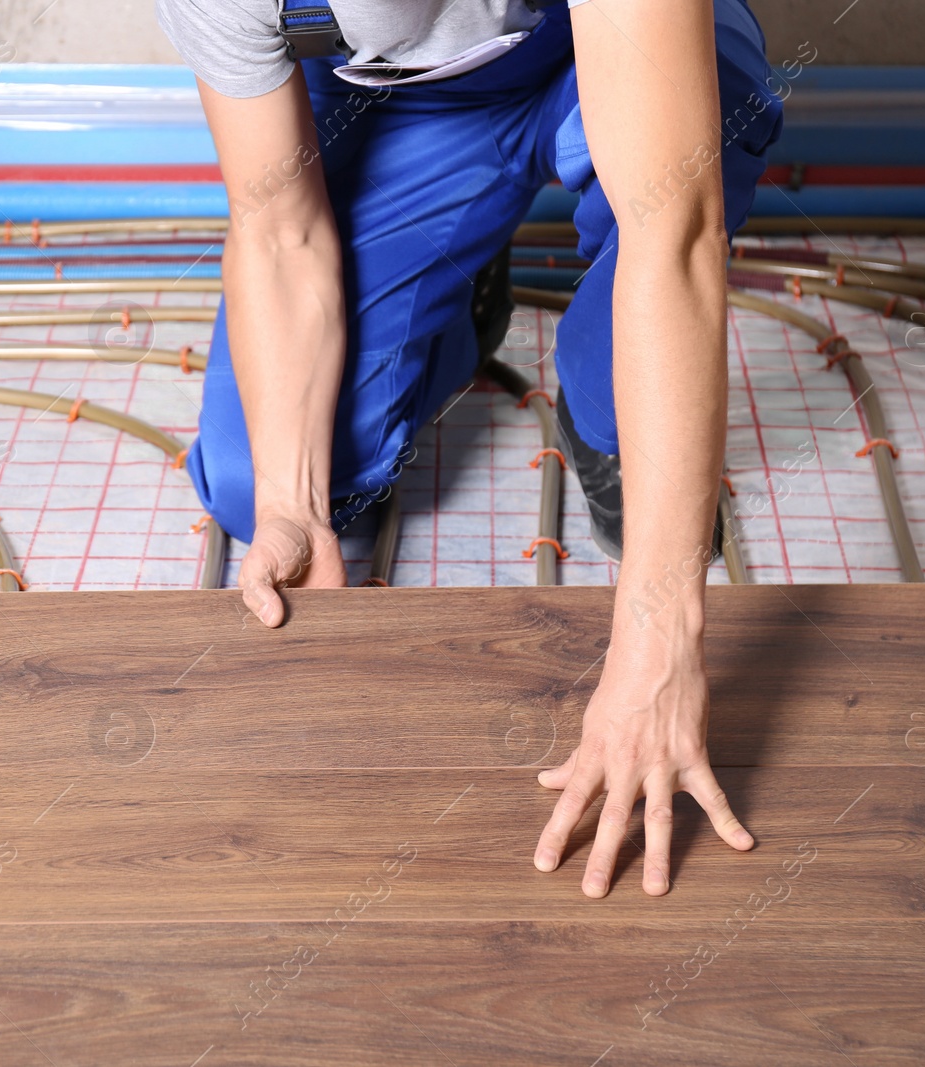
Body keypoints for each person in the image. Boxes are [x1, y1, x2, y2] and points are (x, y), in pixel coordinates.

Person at [155, 0, 783, 896]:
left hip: (609, 52)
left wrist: (660, 640)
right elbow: (280, 231)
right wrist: (292, 505)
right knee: (253, 483)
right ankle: (461, 281)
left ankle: (601, 401)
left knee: (680, 185)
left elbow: (674, 233)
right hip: (411, 111)